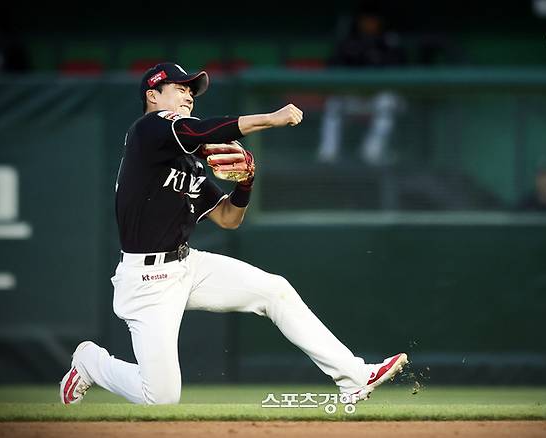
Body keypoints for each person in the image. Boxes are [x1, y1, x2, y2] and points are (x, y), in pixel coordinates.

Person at [59, 62, 408, 405]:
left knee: (274, 290)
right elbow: (201, 131)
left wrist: (246, 183)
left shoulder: (190, 163)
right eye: (180, 88)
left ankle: (355, 377)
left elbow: (228, 218)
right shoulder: (148, 130)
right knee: (161, 398)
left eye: (191, 91)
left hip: (186, 265)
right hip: (147, 279)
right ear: (153, 95)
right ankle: (92, 362)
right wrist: (271, 119)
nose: (188, 96)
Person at [318, 9, 406, 165]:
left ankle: (372, 152)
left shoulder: (388, 42)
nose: (369, 24)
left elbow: (398, 71)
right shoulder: (349, 41)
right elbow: (333, 69)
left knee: (387, 102)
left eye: (373, 20)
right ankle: (328, 153)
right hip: (352, 97)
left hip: (377, 99)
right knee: (333, 104)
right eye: (366, 20)